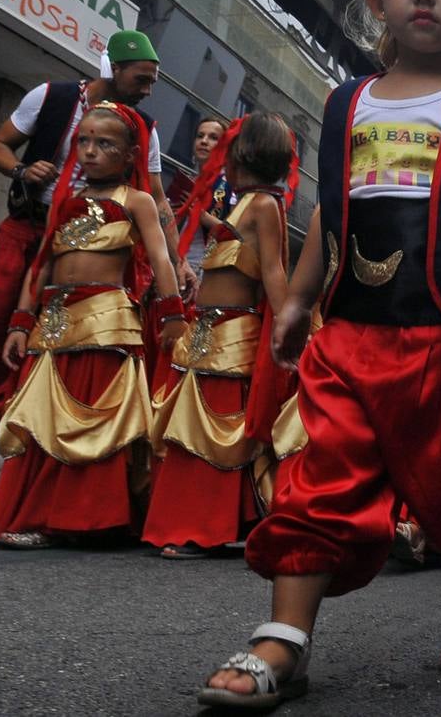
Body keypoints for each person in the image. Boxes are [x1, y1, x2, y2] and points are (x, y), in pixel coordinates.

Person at [199, 0, 441, 710]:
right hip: (353, 332)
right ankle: (285, 636)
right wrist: (299, 298)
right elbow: (332, 212)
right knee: (323, 474)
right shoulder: (347, 102)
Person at [0, 30, 195, 468]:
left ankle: (42, 445)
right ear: (114, 69)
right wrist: (22, 170)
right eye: (141, 79)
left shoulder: (143, 130)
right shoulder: (49, 96)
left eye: (152, 80)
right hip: (30, 229)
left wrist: (178, 259)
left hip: (99, 250)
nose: (148, 89)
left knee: (72, 347)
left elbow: (157, 201)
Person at [0, 102, 184, 548]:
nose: (90, 151)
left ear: (130, 156)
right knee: (44, 420)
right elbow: (43, 265)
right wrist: (19, 322)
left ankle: (79, 520)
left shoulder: (139, 200)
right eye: (84, 141)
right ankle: (37, 515)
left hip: (106, 324)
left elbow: (162, 257)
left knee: (94, 419)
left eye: (104, 143)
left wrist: (172, 315)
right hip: (52, 323)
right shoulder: (66, 203)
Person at [143, 114, 297, 558]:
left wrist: (286, 328)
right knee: (197, 429)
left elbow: (273, 270)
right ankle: (197, 523)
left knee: (216, 432)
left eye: (228, 146)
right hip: (211, 331)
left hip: (235, 335)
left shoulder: (266, 205)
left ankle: (201, 529)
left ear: (245, 153)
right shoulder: (244, 203)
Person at [166, 116, 231, 273]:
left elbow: (238, 234)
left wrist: (201, 216)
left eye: (213, 138)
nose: (204, 141)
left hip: (204, 271)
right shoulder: (187, 181)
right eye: (200, 136)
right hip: (173, 261)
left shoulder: (231, 184)